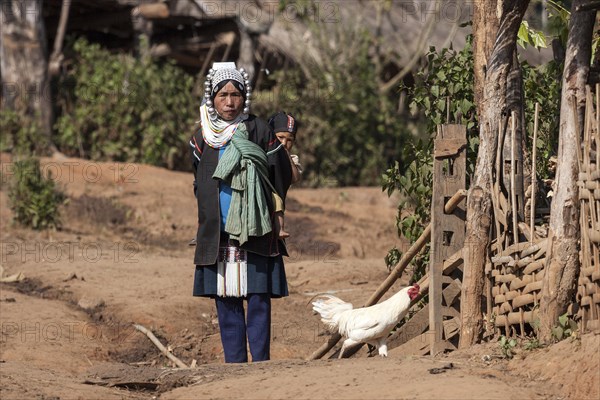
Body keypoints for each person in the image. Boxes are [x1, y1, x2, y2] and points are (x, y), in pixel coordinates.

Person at [189, 62, 293, 363]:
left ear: (244, 96)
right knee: (225, 297)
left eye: (235, 94)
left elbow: (279, 172)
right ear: (212, 98)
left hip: (257, 228)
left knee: (258, 297)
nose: (230, 102)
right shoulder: (201, 139)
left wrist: (271, 210)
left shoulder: (259, 130)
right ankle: (234, 367)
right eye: (223, 95)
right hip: (218, 232)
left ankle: (260, 364)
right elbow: (199, 182)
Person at [268, 112, 303, 239]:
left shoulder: (293, 158)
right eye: (280, 137)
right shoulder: (263, 153)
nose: (284, 143)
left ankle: (280, 229)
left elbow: (294, 178)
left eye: (289, 140)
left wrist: (286, 157)